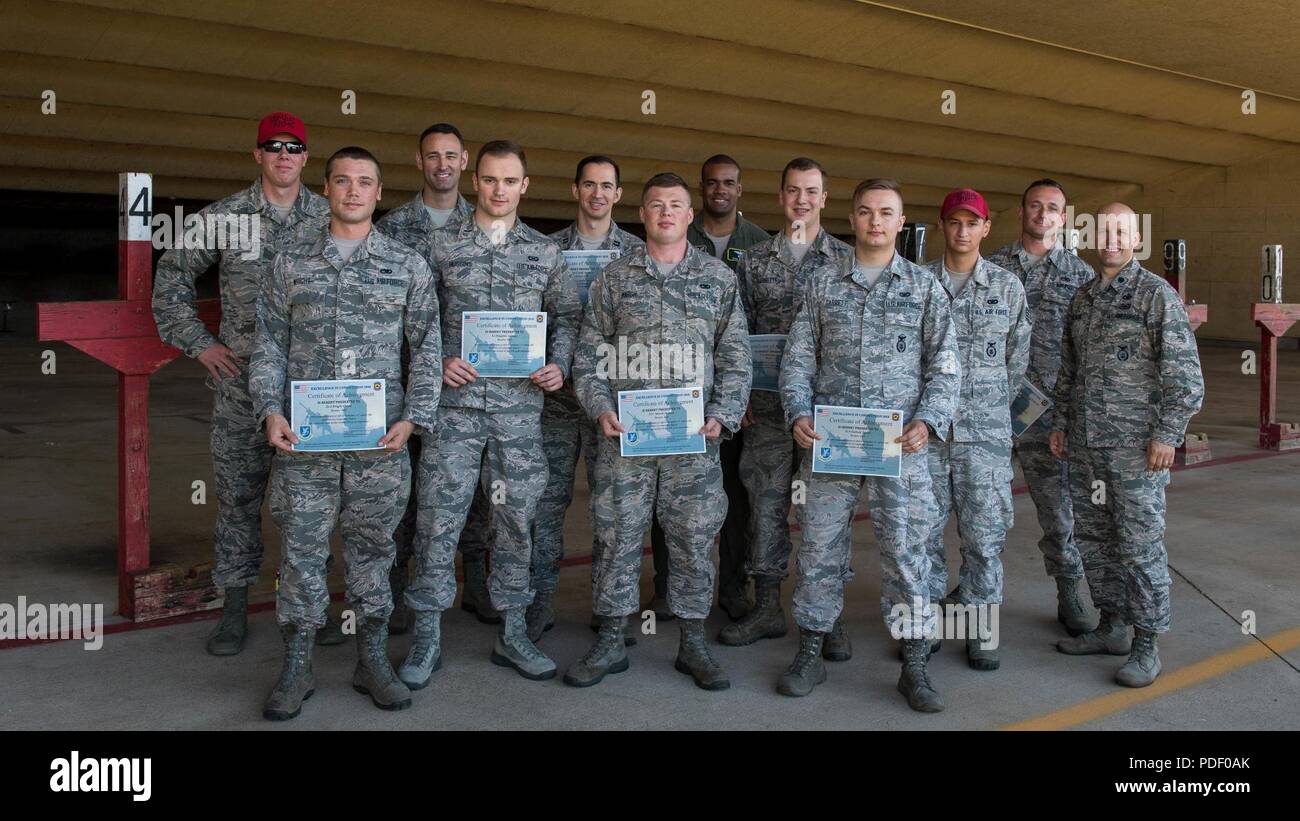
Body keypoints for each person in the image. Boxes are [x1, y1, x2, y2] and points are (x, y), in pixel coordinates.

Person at [249, 146, 441, 719]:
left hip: (378, 445)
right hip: (305, 443)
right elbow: (268, 344)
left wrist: (413, 418)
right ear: (326, 189)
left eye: (365, 183)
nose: (353, 191)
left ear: (379, 193)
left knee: (373, 551)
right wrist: (269, 410)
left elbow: (427, 347)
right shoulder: (289, 262)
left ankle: (373, 659)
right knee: (302, 552)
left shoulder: (406, 265)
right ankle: (297, 664)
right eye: (342, 181)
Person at [152, 111, 341, 655]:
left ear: (306, 158)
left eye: (295, 147)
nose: (284, 155)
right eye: (273, 146)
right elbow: (172, 275)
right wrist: (198, 342)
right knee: (238, 500)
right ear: (257, 154)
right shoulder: (228, 217)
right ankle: (234, 609)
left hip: (307, 391)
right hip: (240, 391)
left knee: (307, 507)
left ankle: (306, 606)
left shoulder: (328, 216)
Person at [400, 140, 580, 685]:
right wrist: (440, 361)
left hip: (519, 416)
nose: (499, 190)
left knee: (515, 524)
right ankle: (427, 639)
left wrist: (559, 364)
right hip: (454, 412)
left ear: (524, 186)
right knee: (437, 521)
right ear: (475, 181)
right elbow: (414, 322)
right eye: (491, 179)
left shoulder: (544, 253)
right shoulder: (440, 248)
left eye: (510, 181)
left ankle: (514, 633)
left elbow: (568, 314)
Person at [779, 179, 960, 712]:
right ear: (852, 220)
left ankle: (916, 663)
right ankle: (810, 648)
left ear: (901, 223)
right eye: (865, 212)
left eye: (886, 213)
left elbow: (946, 368)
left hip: (901, 447)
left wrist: (928, 422)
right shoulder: (823, 284)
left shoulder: (926, 289)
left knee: (909, 554)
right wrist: (797, 412)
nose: (875, 222)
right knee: (818, 548)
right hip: (832, 444)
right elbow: (798, 357)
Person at [566, 171, 751, 690]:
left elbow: (735, 359)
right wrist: (600, 408)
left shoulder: (718, 282)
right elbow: (588, 355)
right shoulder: (615, 280)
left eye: (675, 205)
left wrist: (723, 414)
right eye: (655, 205)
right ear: (642, 215)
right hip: (625, 442)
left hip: (694, 444)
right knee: (616, 538)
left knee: (693, 539)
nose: (666, 213)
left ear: (689, 216)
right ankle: (610, 639)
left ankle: (692, 643)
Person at [1050, 202, 1204, 688]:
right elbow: (1069, 371)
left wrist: (1168, 433)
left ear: (1137, 239)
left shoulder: (1155, 295)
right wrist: (1060, 422)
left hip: (1137, 450)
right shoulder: (1084, 297)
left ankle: (1146, 641)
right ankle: (1112, 624)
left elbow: (1185, 376)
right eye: (1105, 231)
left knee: (1140, 546)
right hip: (1086, 446)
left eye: (1122, 232)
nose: (1112, 239)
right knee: (1095, 541)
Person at [724, 157, 854, 661]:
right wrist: (740, 401)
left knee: (828, 514)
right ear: (780, 197)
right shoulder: (753, 263)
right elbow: (734, 338)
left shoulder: (846, 261)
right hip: (768, 410)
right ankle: (767, 607)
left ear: (824, 199)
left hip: (831, 415)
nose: (802, 199)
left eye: (812, 191)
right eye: (794, 191)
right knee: (766, 507)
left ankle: (829, 614)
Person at [374, 122, 494, 633]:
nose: (442, 164)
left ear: (465, 161)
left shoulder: (489, 223)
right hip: (405, 383)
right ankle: (399, 588)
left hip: (469, 386)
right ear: (418, 162)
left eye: (451, 155)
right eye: (432, 156)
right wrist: (429, 358)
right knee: (402, 490)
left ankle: (478, 580)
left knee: (473, 493)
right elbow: (378, 310)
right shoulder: (393, 227)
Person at [530, 155, 645, 642]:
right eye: (589, 185)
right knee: (545, 504)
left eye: (607, 186)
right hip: (554, 401)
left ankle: (608, 605)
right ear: (575, 191)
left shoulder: (638, 253)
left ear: (618, 194)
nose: (598, 194)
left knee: (613, 508)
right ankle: (539, 602)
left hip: (614, 405)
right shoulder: (545, 250)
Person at [921, 189, 1030, 671]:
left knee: (984, 538)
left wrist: (985, 414)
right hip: (925, 437)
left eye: (972, 223)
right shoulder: (916, 283)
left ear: (986, 229)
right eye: (954, 222)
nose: (962, 231)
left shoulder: (1007, 289)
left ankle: (981, 628)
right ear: (943, 227)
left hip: (984, 439)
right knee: (920, 535)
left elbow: (1016, 363)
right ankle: (924, 628)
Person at [987, 180, 1098, 636]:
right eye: (1035, 206)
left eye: (1052, 208)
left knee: (1058, 512)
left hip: (1048, 417)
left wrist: (1075, 418)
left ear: (1064, 218)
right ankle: (978, 591)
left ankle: (1069, 589)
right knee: (983, 509)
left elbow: (1089, 353)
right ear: (1021, 211)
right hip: (991, 409)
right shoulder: (991, 265)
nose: (1043, 214)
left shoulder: (1081, 276)